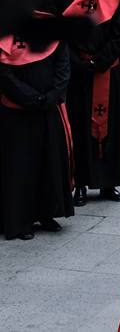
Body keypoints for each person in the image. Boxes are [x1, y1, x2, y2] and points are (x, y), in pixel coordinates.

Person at [65, 0, 120, 205]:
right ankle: (81, 183)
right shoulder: (74, 2)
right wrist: (81, 64)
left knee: (111, 127)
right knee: (80, 125)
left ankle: (108, 182)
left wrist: (98, 63)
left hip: (107, 73)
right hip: (81, 76)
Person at [0, 18, 73, 240]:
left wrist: (51, 96)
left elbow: (63, 65)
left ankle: (47, 213)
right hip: (17, 113)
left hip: (48, 109)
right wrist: (31, 98)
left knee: (48, 162)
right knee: (21, 168)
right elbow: (4, 75)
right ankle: (21, 220)